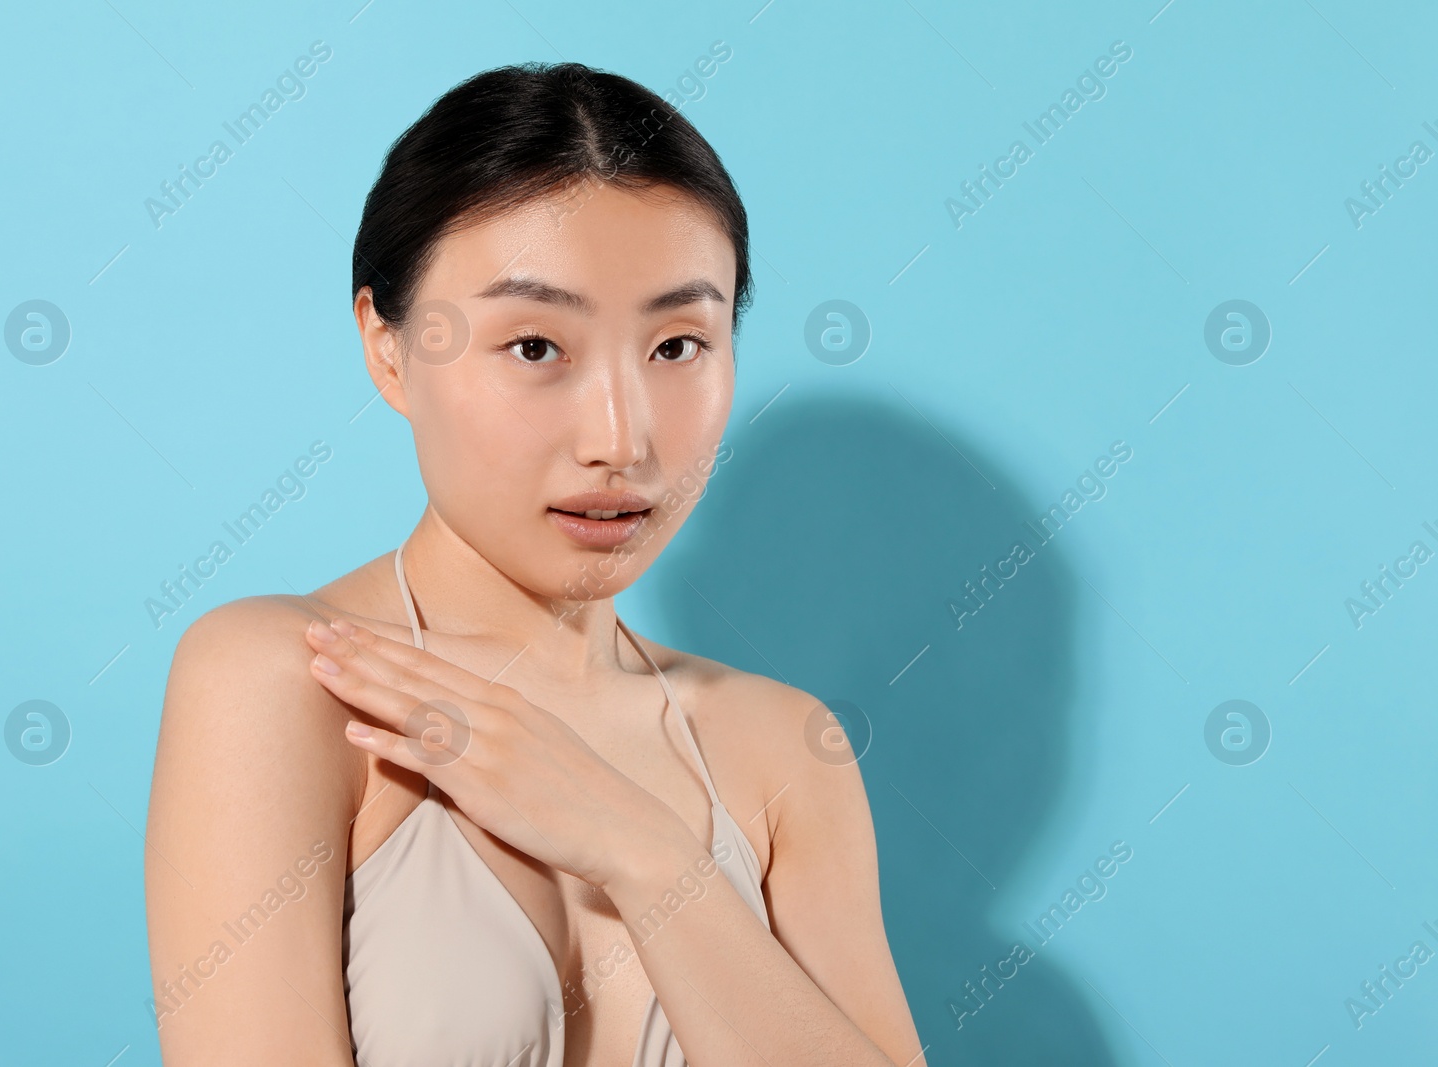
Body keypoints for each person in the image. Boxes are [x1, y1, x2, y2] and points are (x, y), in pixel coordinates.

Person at [144, 60, 925, 1067]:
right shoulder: (284, 677)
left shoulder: (782, 746)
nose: (619, 438)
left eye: (679, 345)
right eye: (533, 347)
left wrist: (641, 852)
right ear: (387, 347)